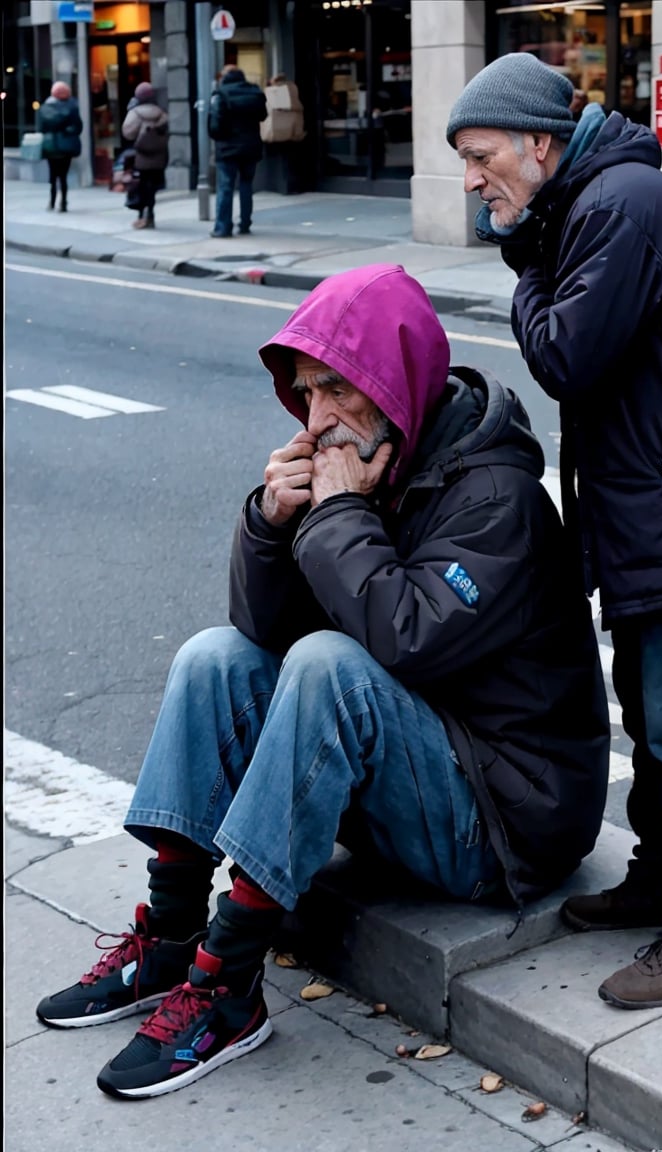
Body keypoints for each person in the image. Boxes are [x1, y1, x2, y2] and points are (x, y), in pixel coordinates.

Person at [36, 263, 610, 1100]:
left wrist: (338, 517)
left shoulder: (500, 498)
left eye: (340, 389)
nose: (320, 419)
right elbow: (261, 631)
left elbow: (404, 642)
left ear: (396, 384)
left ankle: (227, 984)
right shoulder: (372, 467)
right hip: (423, 774)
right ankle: (167, 937)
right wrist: (272, 526)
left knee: (330, 667)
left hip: (505, 822)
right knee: (213, 657)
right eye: (307, 393)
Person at [446, 52, 662, 1010]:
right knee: (650, 708)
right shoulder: (596, 202)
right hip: (657, 505)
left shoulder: (615, 207)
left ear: (541, 144)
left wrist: (521, 264)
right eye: (463, 160)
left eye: (480, 154)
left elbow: (565, 357)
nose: (471, 179)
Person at [208, 64, 267, 237]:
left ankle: (223, 227)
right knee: (246, 185)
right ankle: (245, 223)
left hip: (227, 149)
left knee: (225, 187)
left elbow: (214, 126)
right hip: (250, 146)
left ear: (225, 77)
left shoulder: (221, 94)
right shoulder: (255, 92)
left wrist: (221, 137)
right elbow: (263, 115)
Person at [121, 82, 169, 230]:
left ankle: (142, 216)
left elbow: (127, 133)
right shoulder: (162, 113)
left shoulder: (135, 113)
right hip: (159, 157)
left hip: (141, 157)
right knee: (152, 187)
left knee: (141, 186)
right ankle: (151, 214)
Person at [39, 80, 83, 213]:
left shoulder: (47, 107)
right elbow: (79, 127)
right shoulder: (73, 106)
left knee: (53, 176)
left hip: (51, 146)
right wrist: (69, 131)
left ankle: (52, 202)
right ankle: (63, 202)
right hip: (66, 146)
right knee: (63, 176)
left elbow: (41, 127)